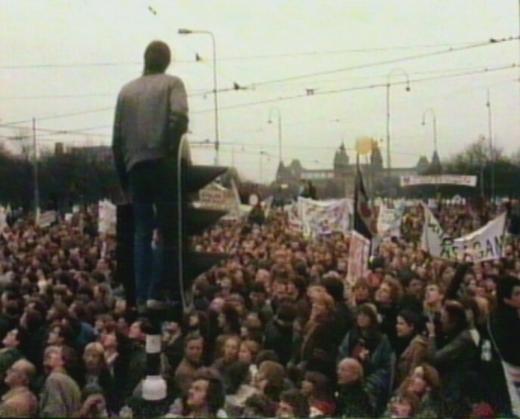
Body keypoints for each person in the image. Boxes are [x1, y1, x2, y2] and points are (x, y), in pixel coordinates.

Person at [112, 40, 189, 311]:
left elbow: (117, 140)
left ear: (145, 59)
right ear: (167, 62)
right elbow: (179, 118)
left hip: (135, 169)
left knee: (141, 233)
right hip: (162, 164)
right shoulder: (173, 84)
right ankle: (159, 292)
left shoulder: (126, 92)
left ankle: (142, 296)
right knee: (167, 232)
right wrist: (170, 152)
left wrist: (125, 180)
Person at [39, 345, 82, 417]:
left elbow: (54, 412)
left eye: (56, 353)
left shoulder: (54, 380)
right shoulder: (70, 381)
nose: (50, 354)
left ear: (63, 361)